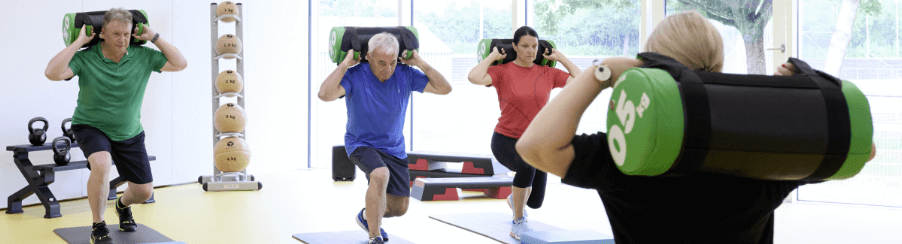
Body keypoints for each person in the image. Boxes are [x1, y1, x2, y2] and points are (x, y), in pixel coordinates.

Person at [515, 10, 877, 244]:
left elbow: (533, 146)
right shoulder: (767, 149)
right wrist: (800, 97)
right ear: (718, 64)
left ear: (650, 68)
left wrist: (602, 72)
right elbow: (865, 149)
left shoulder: (627, 154)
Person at [44, 8, 187, 244]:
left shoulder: (143, 56)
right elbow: (52, 72)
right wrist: (79, 41)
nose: (122, 40)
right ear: (102, 33)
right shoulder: (86, 57)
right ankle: (98, 224)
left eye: (127, 34)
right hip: (91, 125)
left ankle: (121, 206)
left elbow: (180, 63)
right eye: (116, 34)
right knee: (101, 164)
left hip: (129, 131)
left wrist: (154, 36)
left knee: (143, 192)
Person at [318, 32, 452, 244]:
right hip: (361, 143)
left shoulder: (405, 73)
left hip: (394, 148)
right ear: (368, 56)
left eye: (391, 62)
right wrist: (345, 63)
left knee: (400, 208)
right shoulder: (355, 75)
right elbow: (324, 95)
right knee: (379, 174)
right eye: (381, 62)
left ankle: (366, 216)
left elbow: (445, 89)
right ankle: (375, 236)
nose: (387, 70)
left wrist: (418, 61)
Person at [467, 26, 582, 240]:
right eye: (525, 46)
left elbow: (581, 80)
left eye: (535, 46)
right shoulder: (503, 71)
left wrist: (561, 57)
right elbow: (474, 77)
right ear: (514, 47)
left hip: (536, 142)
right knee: (526, 166)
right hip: (505, 140)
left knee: (535, 201)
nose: (531, 51)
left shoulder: (547, 73)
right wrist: (493, 56)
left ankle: (515, 199)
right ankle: (518, 222)